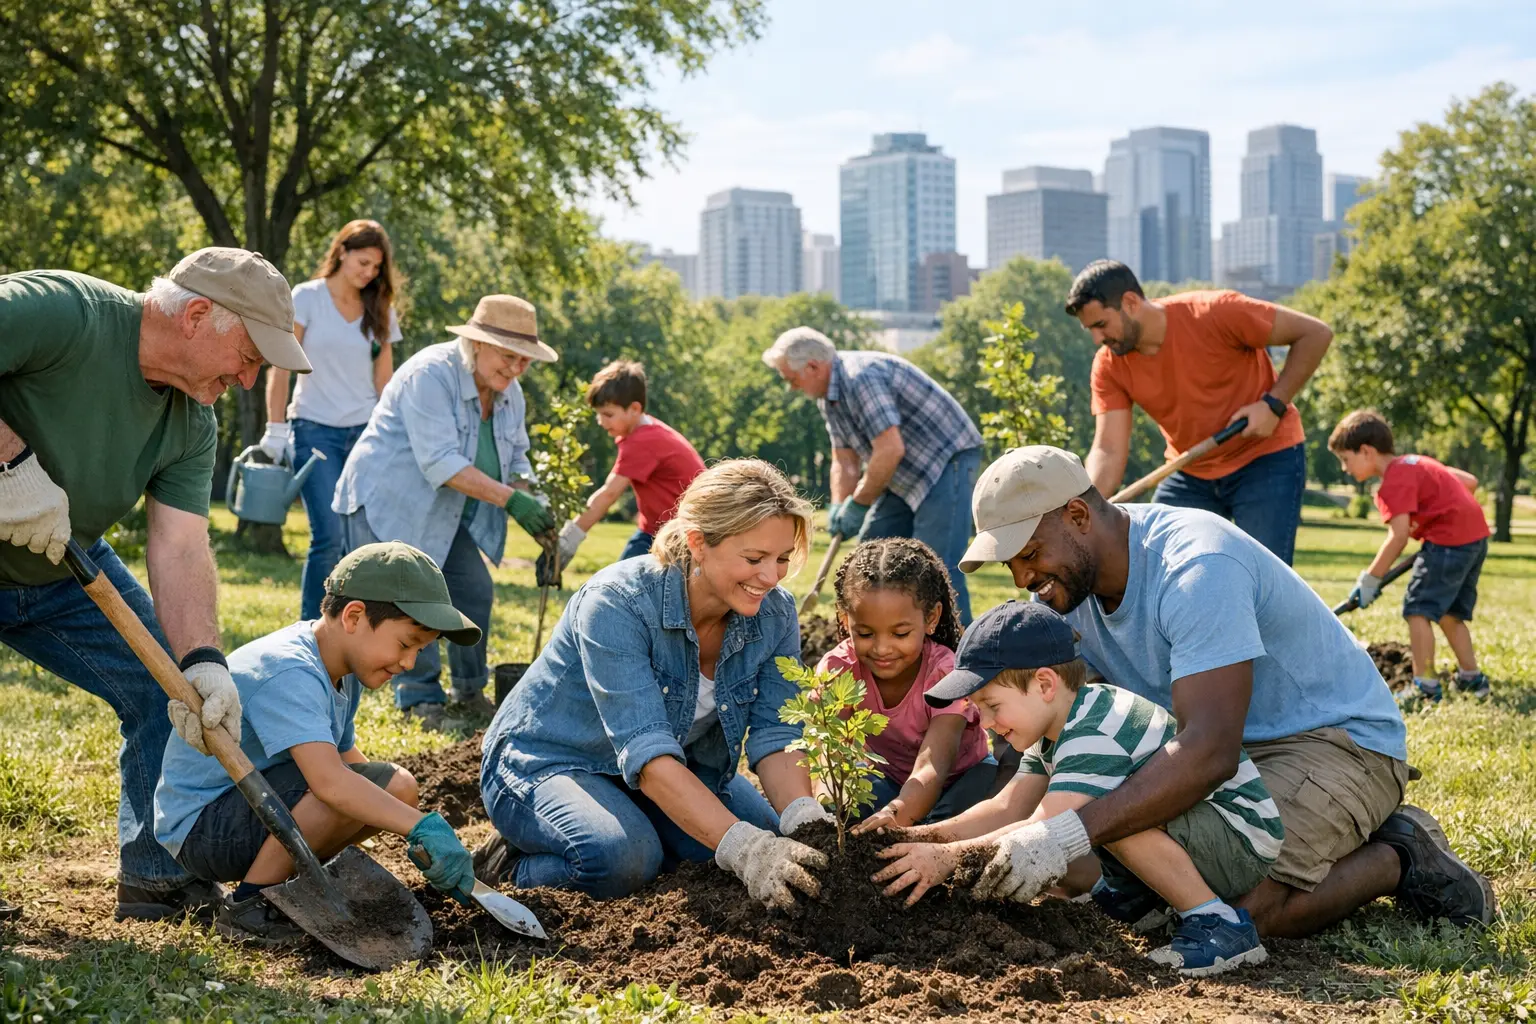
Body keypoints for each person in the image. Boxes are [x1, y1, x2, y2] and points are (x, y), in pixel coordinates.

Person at [950, 445, 1494, 936]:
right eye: (1012, 563)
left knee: (1234, 908)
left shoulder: (1195, 567)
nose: (1022, 579)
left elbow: (1208, 751)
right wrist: (946, 841)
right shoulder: (1068, 595)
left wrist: (1057, 837)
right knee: (1140, 892)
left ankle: (1397, 853)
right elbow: (1057, 739)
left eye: (1031, 554)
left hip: (1333, 743)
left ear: (1077, 516)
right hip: (1223, 749)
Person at [0, 248, 312, 921]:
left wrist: (202, 662)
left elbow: (180, 543)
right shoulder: (65, 312)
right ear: (198, 314)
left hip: (60, 564)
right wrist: (9, 463)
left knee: (157, 688)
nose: (250, 378)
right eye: (251, 355)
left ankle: (154, 879)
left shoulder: (192, 422)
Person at [476, 459, 833, 907]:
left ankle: (640, 826)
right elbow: (648, 753)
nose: (771, 576)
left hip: (669, 768)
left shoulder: (774, 614)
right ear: (699, 543)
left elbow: (776, 735)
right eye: (754, 558)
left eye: (782, 559)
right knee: (622, 859)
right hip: (551, 760)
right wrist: (744, 850)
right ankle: (507, 863)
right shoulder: (618, 603)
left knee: (761, 844)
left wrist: (804, 820)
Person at [877, 600, 1284, 976]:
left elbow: (1045, 826)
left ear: (1045, 684)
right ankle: (1138, 899)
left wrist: (949, 858)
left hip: (1238, 836)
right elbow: (1007, 808)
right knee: (1076, 838)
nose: (984, 722)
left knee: (1107, 814)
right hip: (1199, 834)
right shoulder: (1056, 728)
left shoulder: (1096, 728)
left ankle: (1216, 924)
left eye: (992, 705)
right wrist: (917, 837)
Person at [154, 542, 482, 944]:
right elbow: (331, 782)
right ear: (354, 616)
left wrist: (410, 824)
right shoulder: (290, 669)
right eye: (405, 644)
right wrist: (417, 827)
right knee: (340, 792)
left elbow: (351, 763)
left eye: (420, 650)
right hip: (204, 826)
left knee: (398, 787)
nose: (410, 663)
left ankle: (295, 883)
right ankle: (250, 906)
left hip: (244, 809)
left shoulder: (342, 665)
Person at [331, 294, 557, 729]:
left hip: (444, 515)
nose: (515, 369)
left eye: (524, 361)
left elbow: (518, 461)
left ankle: (470, 691)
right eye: (508, 356)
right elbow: (440, 462)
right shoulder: (431, 374)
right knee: (409, 601)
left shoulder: (510, 395)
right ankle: (421, 699)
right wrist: (512, 501)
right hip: (387, 502)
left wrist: (538, 513)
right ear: (478, 344)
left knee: (474, 590)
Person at [1065, 260, 1334, 565]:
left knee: (1263, 579)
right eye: (1091, 330)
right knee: (1154, 566)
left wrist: (1274, 404)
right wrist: (1081, 505)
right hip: (1191, 471)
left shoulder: (1216, 312)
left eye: (1101, 325)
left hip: (1266, 460)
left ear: (1130, 302)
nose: (1098, 339)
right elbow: (1109, 449)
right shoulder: (1109, 365)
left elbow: (1316, 333)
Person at [762, 327, 984, 623]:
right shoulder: (829, 399)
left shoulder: (860, 378)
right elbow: (844, 459)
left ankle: (961, 660)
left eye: (792, 378)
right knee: (872, 550)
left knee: (936, 568)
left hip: (946, 460)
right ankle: (880, 636)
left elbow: (890, 449)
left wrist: (860, 503)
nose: (791, 388)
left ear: (813, 367)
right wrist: (841, 504)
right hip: (903, 471)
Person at [260, 220, 403, 620]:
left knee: (356, 540)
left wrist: (390, 438)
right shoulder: (306, 297)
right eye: (363, 262)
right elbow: (282, 368)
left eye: (376, 267)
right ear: (341, 251)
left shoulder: (379, 310)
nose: (369, 273)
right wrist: (275, 428)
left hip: (364, 434)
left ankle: (348, 625)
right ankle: (311, 630)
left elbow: (385, 383)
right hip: (313, 430)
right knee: (328, 535)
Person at [816, 538, 995, 831]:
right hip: (890, 780)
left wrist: (898, 815)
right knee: (854, 807)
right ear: (844, 619)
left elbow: (933, 766)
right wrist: (825, 812)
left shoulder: (945, 673)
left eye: (900, 634)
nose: (882, 648)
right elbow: (829, 754)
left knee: (948, 824)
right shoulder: (840, 670)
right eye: (865, 633)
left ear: (931, 618)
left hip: (963, 778)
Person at [1329, 410, 1492, 704]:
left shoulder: (1394, 480)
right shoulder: (1417, 463)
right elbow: (1469, 482)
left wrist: (1370, 580)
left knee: (1418, 610)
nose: (1345, 469)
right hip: (1474, 541)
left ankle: (1425, 687)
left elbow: (1399, 536)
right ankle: (1472, 679)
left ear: (1366, 451)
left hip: (1448, 543)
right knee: (1449, 613)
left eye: (1345, 459)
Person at [555, 359, 705, 568]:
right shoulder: (645, 431)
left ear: (634, 409)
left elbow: (609, 494)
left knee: (621, 590)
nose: (601, 422)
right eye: (598, 414)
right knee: (621, 584)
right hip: (655, 529)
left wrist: (567, 542)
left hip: (679, 535)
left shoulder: (642, 441)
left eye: (608, 414)